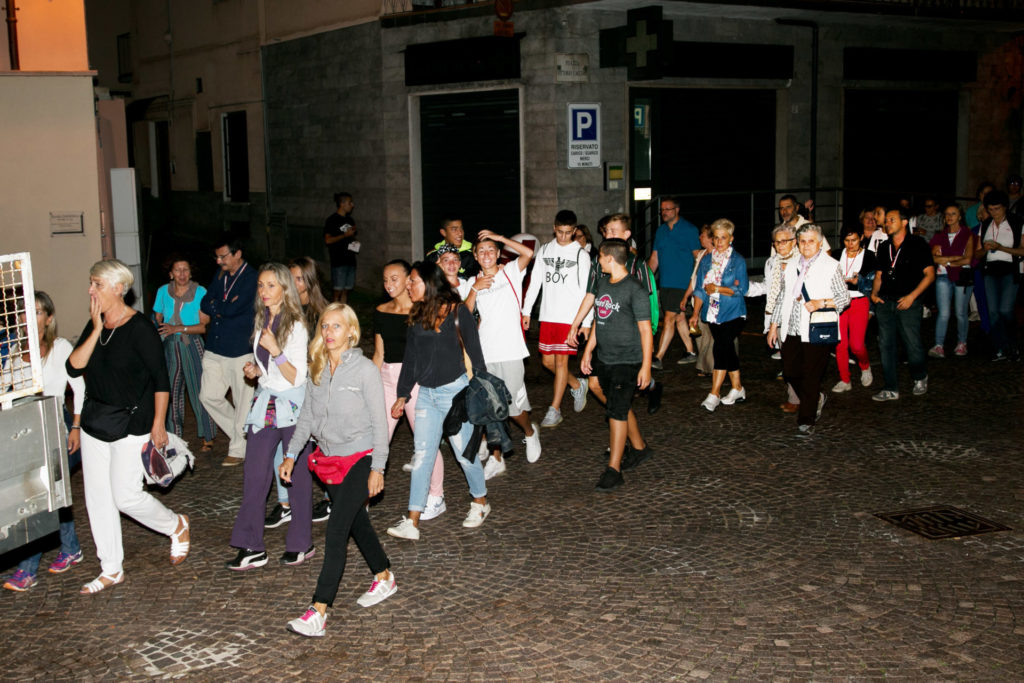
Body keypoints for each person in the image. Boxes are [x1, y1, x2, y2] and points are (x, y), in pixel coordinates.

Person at [67, 259, 190, 594]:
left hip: (132, 424)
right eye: (91, 284)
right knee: (97, 498)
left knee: (125, 497)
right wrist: (94, 329)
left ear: (118, 288)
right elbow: (74, 366)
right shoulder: (96, 325)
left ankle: (175, 525)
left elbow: (160, 380)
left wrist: (158, 424)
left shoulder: (140, 329)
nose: (91, 290)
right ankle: (110, 568)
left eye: (97, 284)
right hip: (95, 422)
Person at [282, 304, 396, 637]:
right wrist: (291, 455)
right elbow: (306, 417)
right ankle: (385, 576)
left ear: (351, 332)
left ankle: (318, 610)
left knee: (335, 530)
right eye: (325, 326)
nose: (329, 332)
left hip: (361, 456)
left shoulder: (364, 370)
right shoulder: (316, 368)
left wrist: (378, 467)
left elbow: (380, 421)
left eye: (337, 326)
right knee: (356, 523)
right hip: (330, 459)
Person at [386, 261, 490, 540]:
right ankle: (412, 519)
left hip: (455, 394)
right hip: (426, 396)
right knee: (422, 457)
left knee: (464, 455)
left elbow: (476, 355)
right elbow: (411, 359)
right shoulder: (418, 314)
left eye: (413, 281)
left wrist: (479, 391)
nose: (408, 285)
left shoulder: (458, 313)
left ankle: (480, 502)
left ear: (429, 283)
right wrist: (402, 393)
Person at [226, 263, 313, 570]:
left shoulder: (297, 325)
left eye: (271, 286)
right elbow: (270, 368)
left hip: (293, 405)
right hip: (266, 401)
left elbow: (296, 377)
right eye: (261, 285)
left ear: (285, 288)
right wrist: (257, 370)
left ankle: (302, 542)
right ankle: (251, 545)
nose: (264, 291)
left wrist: (276, 352)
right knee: (255, 473)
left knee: (297, 476)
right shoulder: (263, 318)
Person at [2, 292, 87, 592]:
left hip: (57, 426)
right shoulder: (14, 349)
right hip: (26, 431)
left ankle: (27, 569)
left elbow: (79, 389)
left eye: (37, 312)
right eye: (25, 312)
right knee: (50, 495)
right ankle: (71, 548)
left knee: (40, 498)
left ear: (49, 318)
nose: (30, 317)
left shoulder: (60, 347)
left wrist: (75, 427)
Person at [462, 230, 541, 479]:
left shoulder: (510, 272)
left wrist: (500, 238)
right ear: (475, 255)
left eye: (491, 250)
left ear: (498, 254)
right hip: (485, 352)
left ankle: (529, 433)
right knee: (490, 407)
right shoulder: (472, 282)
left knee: (513, 407)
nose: (486, 254)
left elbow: (529, 253)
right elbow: (464, 315)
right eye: (481, 251)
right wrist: (475, 289)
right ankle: (497, 458)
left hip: (511, 350)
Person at [567, 214, 663, 415]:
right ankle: (622, 419)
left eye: (613, 231)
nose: (607, 234)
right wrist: (576, 324)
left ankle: (633, 408)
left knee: (629, 380)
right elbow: (590, 295)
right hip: (603, 329)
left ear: (627, 234)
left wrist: (650, 332)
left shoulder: (637, 265)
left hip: (628, 336)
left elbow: (648, 303)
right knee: (595, 384)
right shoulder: (598, 260)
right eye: (606, 231)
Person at [374, 259, 446, 521]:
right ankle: (365, 493)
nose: (389, 284)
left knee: (425, 441)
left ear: (408, 280)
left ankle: (436, 496)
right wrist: (368, 386)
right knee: (377, 438)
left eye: (394, 278)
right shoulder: (381, 310)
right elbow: (379, 354)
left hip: (415, 379)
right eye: (385, 279)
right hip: (386, 379)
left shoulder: (423, 311)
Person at [580, 238, 653, 491]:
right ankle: (640, 448)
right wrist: (588, 350)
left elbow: (646, 331)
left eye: (600, 257)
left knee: (617, 411)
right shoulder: (602, 283)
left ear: (610, 258)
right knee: (603, 394)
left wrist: (645, 366)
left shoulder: (635, 289)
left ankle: (614, 469)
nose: (598, 262)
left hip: (627, 360)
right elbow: (600, 320)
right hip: (605, 356)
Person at [266, 257, 332, 529]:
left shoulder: (323, 313)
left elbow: (331, 352)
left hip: (316, 386)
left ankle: (332, 497)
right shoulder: (282, 312)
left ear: (308, 281)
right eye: (289, 278)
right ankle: (285, 504)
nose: (292, 283)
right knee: (282, 447)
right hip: (288, 388)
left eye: (297, 278)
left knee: (324, 445)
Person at [767, 225, 850, 437]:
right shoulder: (792, 264)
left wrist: (821, 302)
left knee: (811, 374)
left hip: (817, 327)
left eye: (811, 241)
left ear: (820, 243)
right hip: (791, 327)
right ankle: (815, 398)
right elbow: (782, 297)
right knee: (791, 371)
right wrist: (774, 326)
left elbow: (844, 298)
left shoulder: (830, 266)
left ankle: (806, 419)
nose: (806, 245)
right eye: (802, 241)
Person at [520, 210, 591, 429]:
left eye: (568, 233)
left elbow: (587, 290)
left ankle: (555, 409)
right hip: (548, 315)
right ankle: (577, 384)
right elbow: (536, 282)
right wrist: (526, 310)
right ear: (554, 228)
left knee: (561, 362)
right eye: (560, 232)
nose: (563, 237)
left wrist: (585, 322)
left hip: (570, 317)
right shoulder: (545, 250)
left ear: (575, 231)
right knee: (547, 362)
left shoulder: (581, 255)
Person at [199, 236, 258, 467]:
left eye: (223, 256)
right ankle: (242, 435)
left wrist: (219, 307)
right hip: (215, 346)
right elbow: (206, 302)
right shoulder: (221, 275)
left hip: (240, 348)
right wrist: (220, 307)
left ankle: (238, 448)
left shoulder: (252, 278)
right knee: (208, 395)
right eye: (217, 256)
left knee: (243, 400)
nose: (218, 261)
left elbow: (234, 308)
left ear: (237, 254)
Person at [870, 208, 935, 401]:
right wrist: (874, 294)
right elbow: (880, 275)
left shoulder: (917, 244)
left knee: (912, 344)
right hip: (885, 302)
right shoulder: (884, 247)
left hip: (908, 302)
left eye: (892, 219)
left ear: (905, 222)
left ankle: (920, 375)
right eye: (886, 220)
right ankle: (891, 387)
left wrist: (912, 297)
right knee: (886, 345)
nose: (887, 223)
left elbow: (930, 275)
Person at [153, 255, 216, 452]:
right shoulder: (163, 291)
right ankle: (173, 436)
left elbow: (204, 327)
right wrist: (164, 331)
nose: (182, 274)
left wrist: (179, 328)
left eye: (186, 270)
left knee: (200, 391)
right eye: (178, 270)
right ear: (171, 273)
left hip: (192, 344)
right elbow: (158, 317)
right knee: (171, 392)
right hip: (170, 346)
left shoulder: (201, 292)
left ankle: (208, 435)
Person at [689, 219, 749, 412]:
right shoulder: (706, 260)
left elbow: (742, 289)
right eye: (716, 237)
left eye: (724, 237)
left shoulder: (737, 260)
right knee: (727, 348)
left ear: (731, 239)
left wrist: (719, 288)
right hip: (712, 313)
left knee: (721, 347)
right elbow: (699, 289)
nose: (720, 241)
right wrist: (695, 313)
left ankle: (714, 393)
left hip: (734, 312)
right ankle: (738, 388)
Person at [649, 196, 701, 369]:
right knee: (679, 318)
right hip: (666, 282)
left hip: (682, 282)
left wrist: (695, 282)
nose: (664, 212)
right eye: (662, 210)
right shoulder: (661, 231)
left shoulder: (689, 230)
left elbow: (697, 256)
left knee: (670, 318)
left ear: (677, 210)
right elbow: (655, 257)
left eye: (668, 209)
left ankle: (658, 357)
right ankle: (691, 351)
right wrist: (647, 278)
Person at [978, 190, 1024, 361]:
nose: (994, 212)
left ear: (1005, 207)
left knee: (1005, 310)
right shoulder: (986, 224)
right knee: (993, 311)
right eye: (990, 209)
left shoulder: (1017, 222)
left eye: (997, 209)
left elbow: (1022, 250)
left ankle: (1013, 345)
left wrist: (1001, 247)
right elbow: (976, 254)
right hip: (990, 270)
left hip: (1010, 270)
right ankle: (1000, 348)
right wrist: (985, 250)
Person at [763, 224, 802, 412]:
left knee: (799, 362)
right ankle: (795, 398)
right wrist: (743, 289)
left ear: (794, 242)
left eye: (784, 241)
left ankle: (807, 397)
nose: (780, 245)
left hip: (800, 318)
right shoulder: (772, 263)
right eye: (777, 242)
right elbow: (770, 289)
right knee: (788, 361)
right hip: (779, 317)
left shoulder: (802, 261)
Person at [929, 203, 976, 358]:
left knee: (961, 312)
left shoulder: (967, 234)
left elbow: (968, 259)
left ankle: (962, 343)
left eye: (953, 214)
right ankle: (939, 345)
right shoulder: (940, 235)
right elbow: (933, 257)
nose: (949, 217)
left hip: (962, 276)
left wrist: (946, 260)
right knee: (943, 313)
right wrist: (954, 259)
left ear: (960, 216)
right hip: (943, 276)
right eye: (947, 214)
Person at [832, 226, 876, 391]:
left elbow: (875, 282)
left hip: (859, 300)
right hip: (839, 302)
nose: (850, 244)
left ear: (862, 238)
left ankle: (865, 366)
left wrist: (860, 282)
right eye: (847, 241)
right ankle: (845, 379)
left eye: (854, 240)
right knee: (840, 343)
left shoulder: (870, 257)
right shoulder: (837, 255)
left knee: (856, 345)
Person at [681, 224, 715, 376]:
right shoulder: (701, 255)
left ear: (710, 238)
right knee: (700, 335)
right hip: (698, 300)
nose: (699, 237)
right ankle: (706, 365)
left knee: (710, 337)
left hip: (711, 301)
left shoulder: (718, 256)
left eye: (702, 235)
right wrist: (686, 296)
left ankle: (709, 367)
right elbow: (694, 278)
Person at [324, 192, 358, 304]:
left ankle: (343, 314)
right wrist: (344, 235)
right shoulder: (332, 220)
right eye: (350, 202)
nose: (352, 205)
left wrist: (355, 244)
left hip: (350, 260)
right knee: (337, 291)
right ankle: (333, 313)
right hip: (338, 261)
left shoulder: (350, 220)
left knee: (346, 290)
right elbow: (328, 240)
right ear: (342, 204)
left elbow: (351, 238)